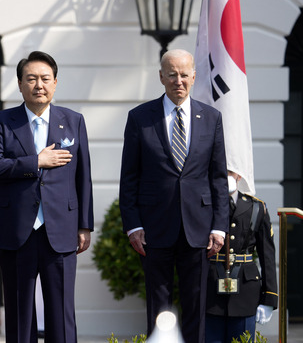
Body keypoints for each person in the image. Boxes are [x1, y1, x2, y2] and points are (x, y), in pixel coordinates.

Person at [119, 49, 229, 343]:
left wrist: (219, 227)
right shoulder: (140, 118)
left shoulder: (211, 118)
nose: (178, 80)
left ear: (194, 76)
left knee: (196, 305)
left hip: (200, 229)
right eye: (171, 74)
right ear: (161, 77)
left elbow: (218, 178)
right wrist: (133, 225)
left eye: (183, 74)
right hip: (154, 229)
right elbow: (129, 178)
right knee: (159, 306)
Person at [0, 51, 94, 343]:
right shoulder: (2, 122)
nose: (38, 85)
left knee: (62, 312)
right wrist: (37, 161)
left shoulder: (73, 121)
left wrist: (84, 225)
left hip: (61, 230)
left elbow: (83, 177)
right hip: (16, 229)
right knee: (20, 314)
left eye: (45, 79)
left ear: (55, 83)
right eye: (31, 79)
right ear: (20, 85)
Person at [205, 171, 278, 343]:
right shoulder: (204, 204)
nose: (226, 174)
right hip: (210, 291)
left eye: (231, 171)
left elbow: (267, 255)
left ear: (239, 175)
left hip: (245, 293)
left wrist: (269, 297)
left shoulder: (257, 207)